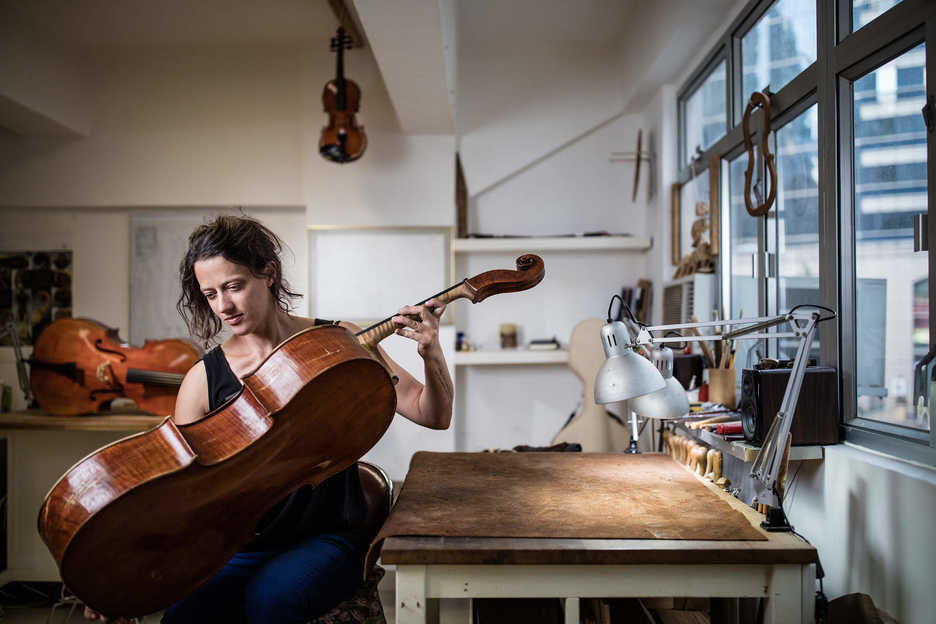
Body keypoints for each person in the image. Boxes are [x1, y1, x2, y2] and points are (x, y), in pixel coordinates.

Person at [83, 215, 453, 624]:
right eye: (210, 294)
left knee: (271, 604)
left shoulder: (338, 341)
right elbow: (180, 494)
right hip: (238, 545)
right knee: (184, 618)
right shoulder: (203, 379)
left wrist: (431, 352)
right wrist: (121, 577)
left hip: (326, 536)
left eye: (233, 286)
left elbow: (432, 413)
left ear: (269, 274)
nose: (223, 306)